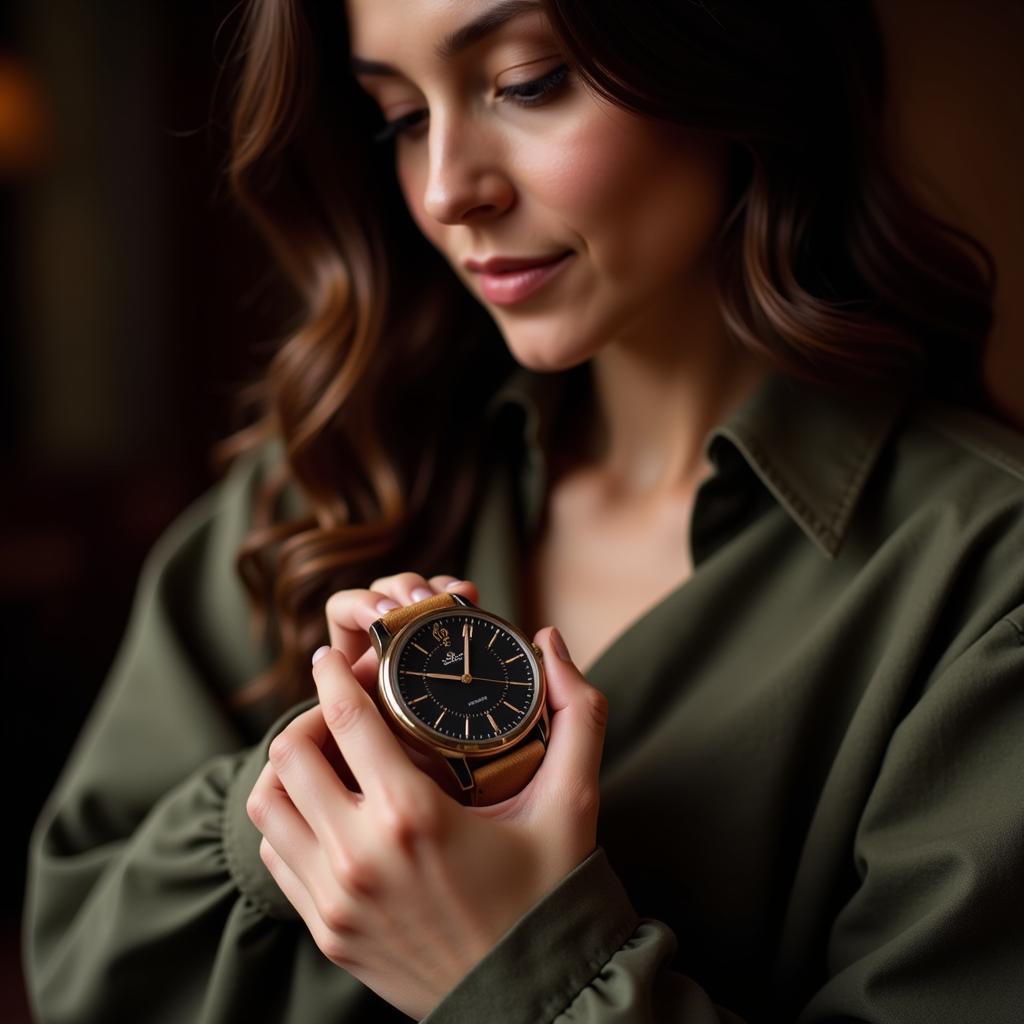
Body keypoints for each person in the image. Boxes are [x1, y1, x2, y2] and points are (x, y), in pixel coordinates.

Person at [23, 0, 1024, 1021]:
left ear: (736, 64)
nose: (451, 189)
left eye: (528, 82)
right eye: (401, 118)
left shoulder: (987, 585)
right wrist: (308, 791)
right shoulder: (324, 481)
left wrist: (513, 968)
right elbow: (84, 960)